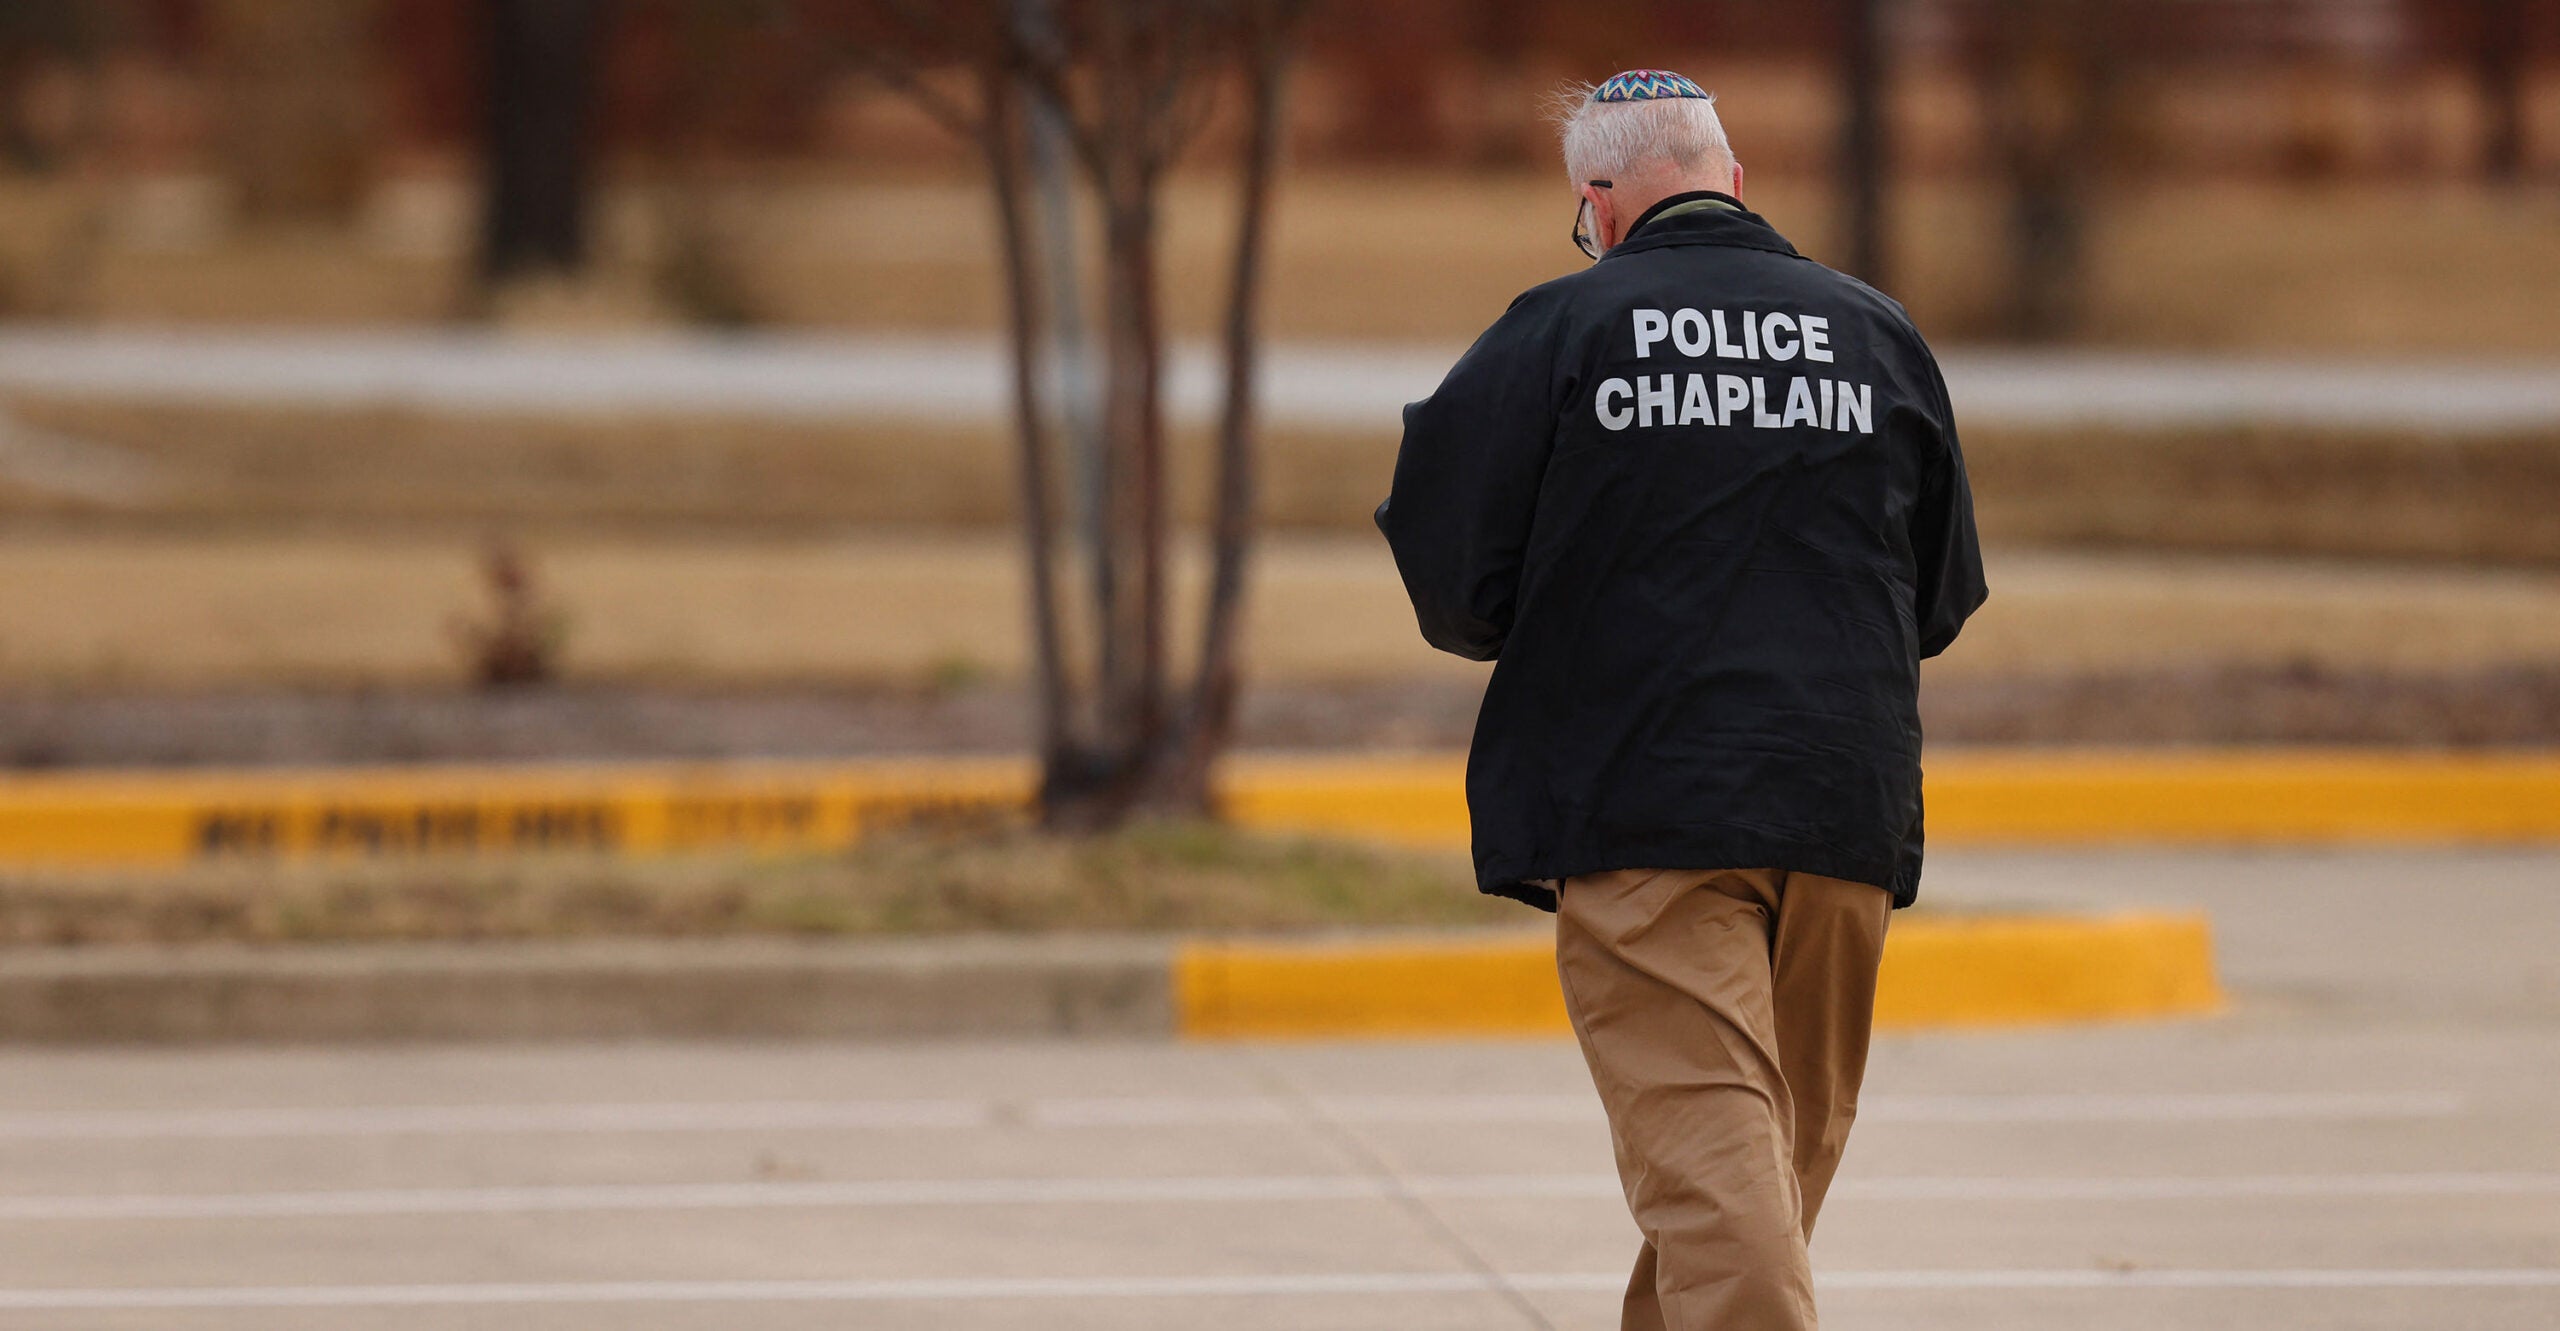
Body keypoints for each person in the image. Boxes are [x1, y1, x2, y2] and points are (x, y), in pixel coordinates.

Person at [1375, 69, 1987, 1330]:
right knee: (1752, 1188)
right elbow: (1937, 596)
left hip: (1644, 809)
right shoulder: (1876, 333)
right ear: (1735, 183)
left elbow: (1456, 586)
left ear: (1597, 207)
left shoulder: (1558, 330)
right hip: (1842, 809)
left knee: (1725, 1201)